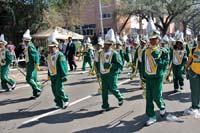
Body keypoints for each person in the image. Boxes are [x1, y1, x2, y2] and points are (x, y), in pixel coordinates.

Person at [141, 26, 169, 126]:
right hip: (148, 77)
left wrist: (158, 58)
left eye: (154, 39)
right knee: (148, 98)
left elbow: (165, 64)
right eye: (151, 39)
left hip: (158, 77)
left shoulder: (163, 51)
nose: (152, 41)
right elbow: (143, 64)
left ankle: (162, 106)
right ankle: (151, 116)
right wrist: (142, 76)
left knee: (157, 96)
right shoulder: (145, 51)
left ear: (158, 39)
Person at [99, 29, 124, 111]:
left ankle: (120, 97)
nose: (106, 46)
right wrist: (98, 71)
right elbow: (99, 63)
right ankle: (105, 105)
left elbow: (119, 64)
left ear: (111, 45)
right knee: (104, 91)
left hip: (112, 74)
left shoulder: (115, 54)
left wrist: (111, 65)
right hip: (103, 75)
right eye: (105, 44)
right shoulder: (101, 53)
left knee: (113, 88)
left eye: (108, 44)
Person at [47, 32, 69, 109]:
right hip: (53, 75)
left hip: (59, 75)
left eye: (52, 47)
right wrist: (49, 75)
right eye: (49, 47)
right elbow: (49, 66)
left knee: (59, 89)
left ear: (56, 47)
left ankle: (65, 100)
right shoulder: (49, 56)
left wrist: (64, 75)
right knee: (54, 90)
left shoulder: (60, 55)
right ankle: (59, 103)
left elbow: (63, 66)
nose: (50, 49)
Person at [23, 29, 43, 99]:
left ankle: (38, 88)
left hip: (32, 65)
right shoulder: (28, 46)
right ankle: (35, 93)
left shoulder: (30, 46)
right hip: (29, 64)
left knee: (29, 79)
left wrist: (37, 63)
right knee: (33, 79)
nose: (23, 41)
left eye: (24, 40)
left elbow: (36, 55)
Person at [185, 33, 200, 115]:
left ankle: (198, 105)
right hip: (194, 73)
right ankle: (195, 106)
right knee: (194, 90)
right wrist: (186, 68)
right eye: (198, 39)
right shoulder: (193, 50)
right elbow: (190, 60)